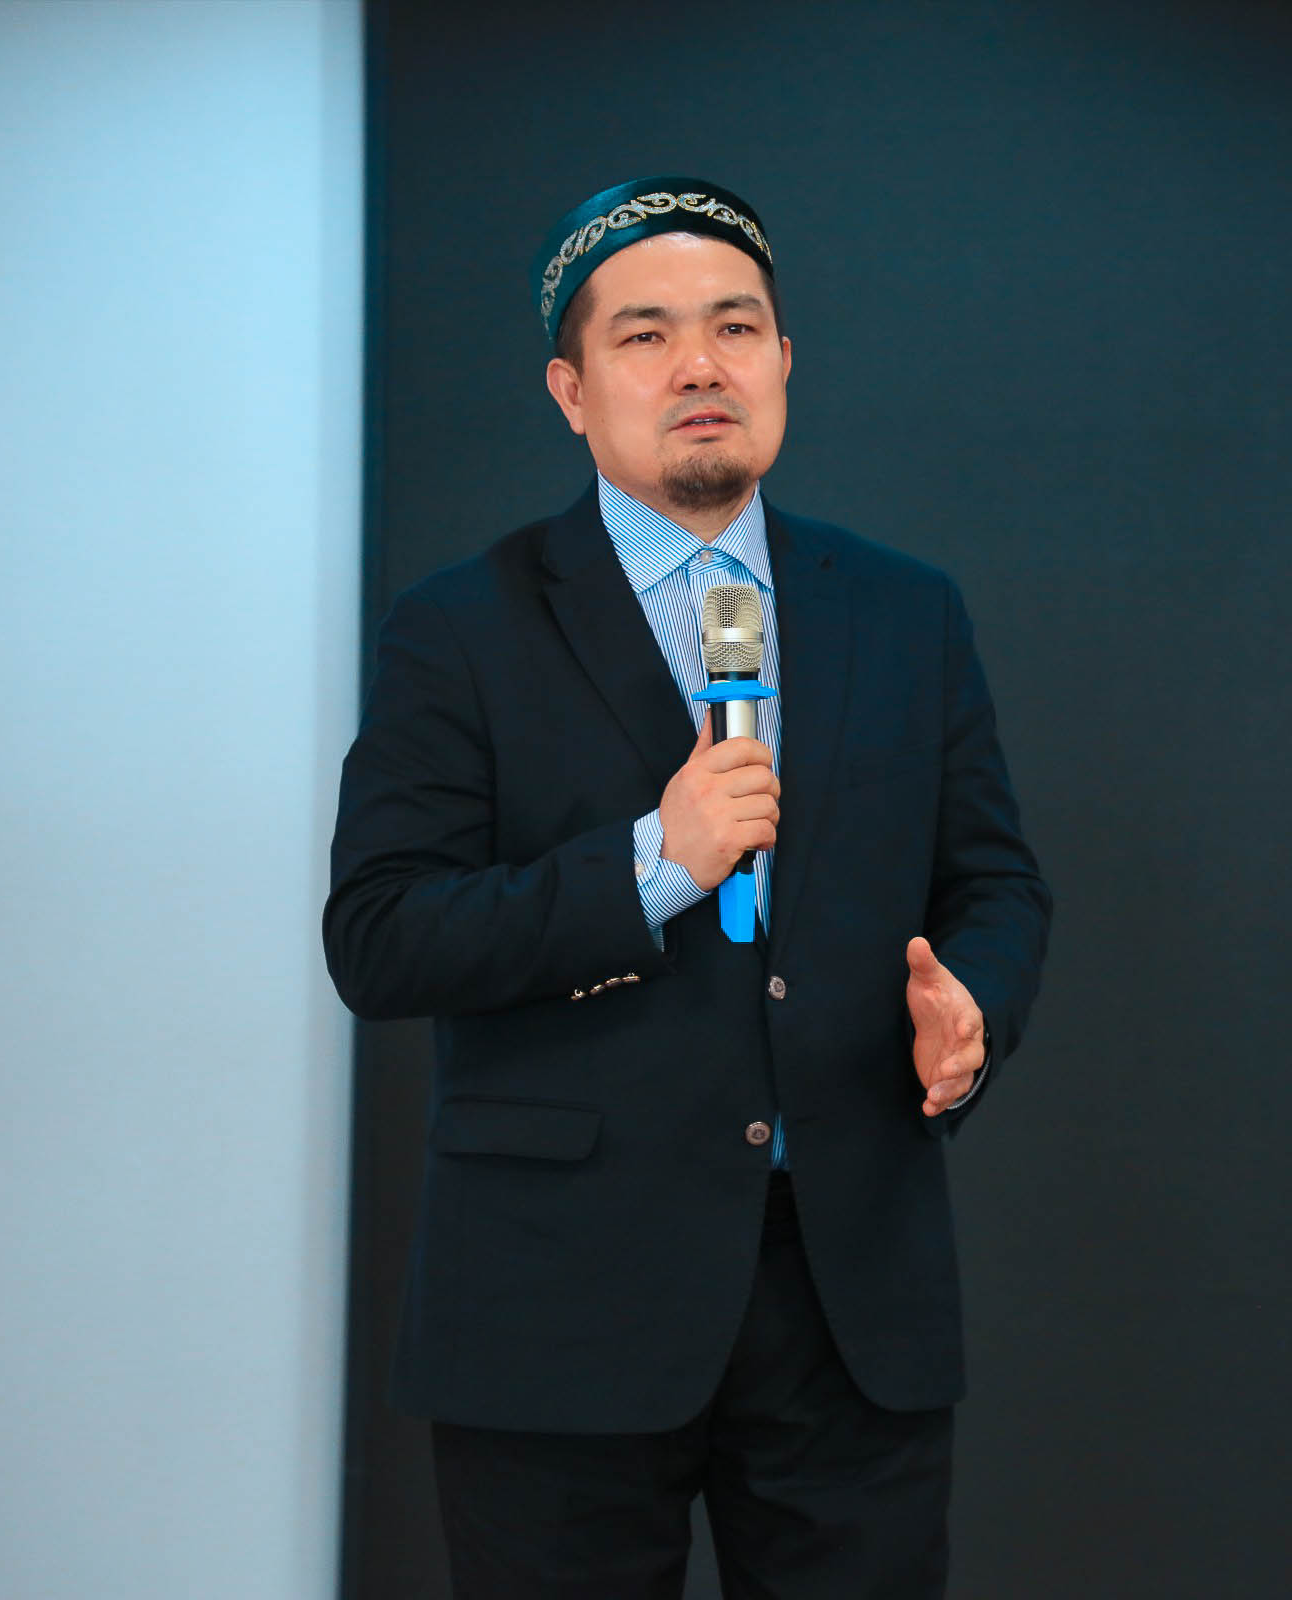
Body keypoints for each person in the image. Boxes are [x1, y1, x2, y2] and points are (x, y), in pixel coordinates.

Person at [323, 176, 1052, 1599]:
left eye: (735, 326)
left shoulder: (905, 610)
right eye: (645, 335)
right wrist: (655, 863)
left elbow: (996, 881)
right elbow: (383, 936)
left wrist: (974, 1003)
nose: (700, 364)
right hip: (560, 1300)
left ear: (782, 362)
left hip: (848, 1295)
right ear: (572, 392)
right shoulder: (459, 627)